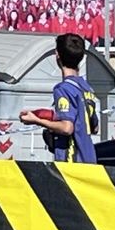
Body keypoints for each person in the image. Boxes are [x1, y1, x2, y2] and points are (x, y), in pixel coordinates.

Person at [20, 32, 99, 163]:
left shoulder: (63, 89)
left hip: (72, 160)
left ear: (57, 55)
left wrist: (36, 120)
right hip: (89, 157)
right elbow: (94, 127)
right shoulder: (86, 88)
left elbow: (67, 128)